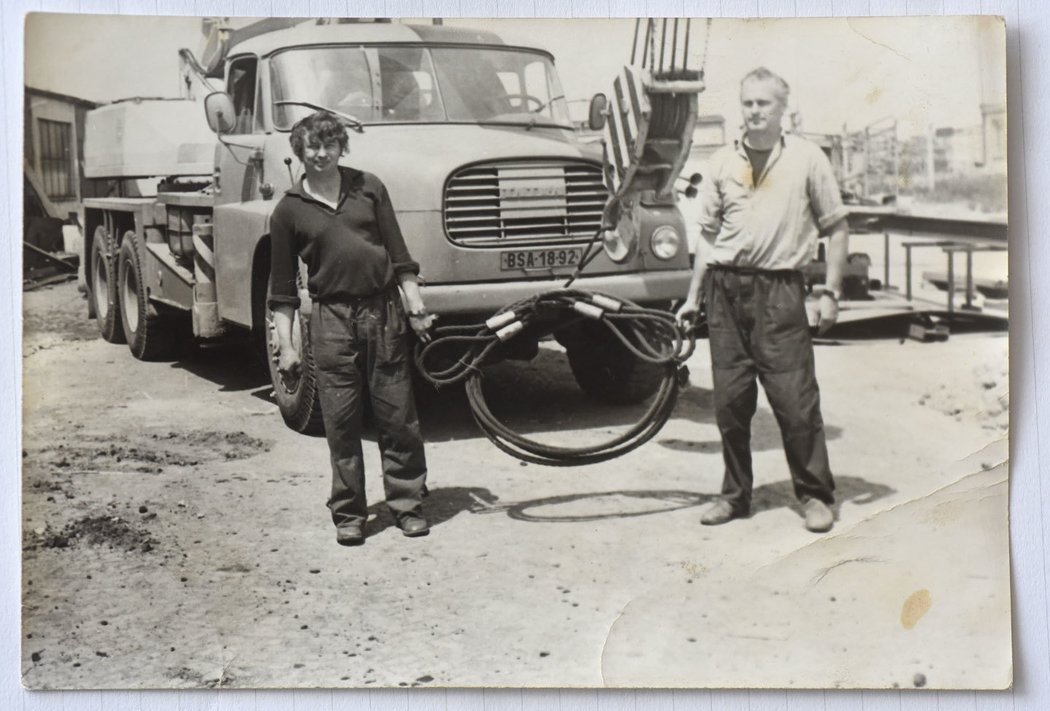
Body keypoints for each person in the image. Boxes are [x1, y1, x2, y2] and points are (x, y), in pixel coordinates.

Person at [676, 67, 849, 533]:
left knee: (795, 402)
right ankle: (735, 496)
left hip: (780, 291)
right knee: (730, 404)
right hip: (725, 292)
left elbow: (836, 228)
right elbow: (708, 239)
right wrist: (693, 298)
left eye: (764, 104)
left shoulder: (808, 159)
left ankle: (815, 495)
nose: (754, 111)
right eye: (748, 102)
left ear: (783, 110)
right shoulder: (720, 165)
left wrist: (830, 292)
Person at [269, 111, 437, 546]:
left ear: (342, 147)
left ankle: (407, 504)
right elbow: (283, 292)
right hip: (330, 320)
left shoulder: (369, 188)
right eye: (312, 147)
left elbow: (400, 257)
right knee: (341, 421)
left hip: (383, 313)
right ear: (299, 152)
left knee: (397, 415)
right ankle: (349, 513)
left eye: (329, 145)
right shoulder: (288, 211)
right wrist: (286, 346)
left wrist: (414, 303)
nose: (321, 154)